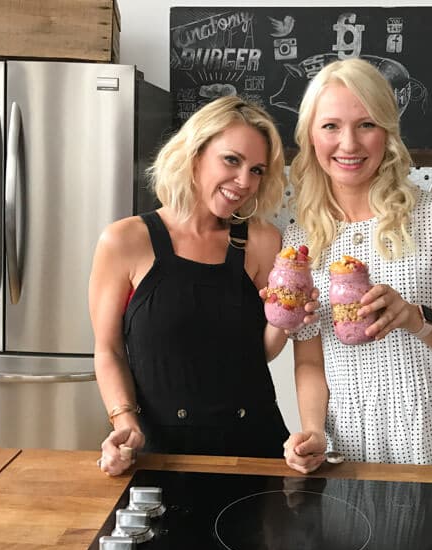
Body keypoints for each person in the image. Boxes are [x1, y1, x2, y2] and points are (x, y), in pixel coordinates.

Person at [282, 58, 432, 474]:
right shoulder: (302, 242)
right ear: (311, 137)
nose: (348, 144)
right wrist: (313, 431)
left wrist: (415, 318)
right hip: (348, 446)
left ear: (387, 133)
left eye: (366, 124)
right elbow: (311, 360)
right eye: (331, 126)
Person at [89, 96, 316, 476]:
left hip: (255, 450)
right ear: (194, 154)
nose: (245, 182)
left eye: (257, 170)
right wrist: (124, 422)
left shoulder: (262, 241)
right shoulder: (125, 241)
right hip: (159, 451)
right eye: (231, 160)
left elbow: (256, 353)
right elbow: (108, 349)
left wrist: (284, 321)